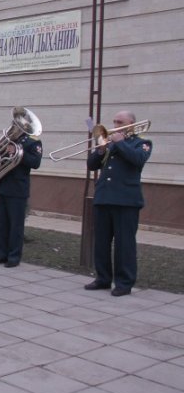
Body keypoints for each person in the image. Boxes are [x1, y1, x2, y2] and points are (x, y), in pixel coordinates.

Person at [85, 111, 152, 297]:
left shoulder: (142, 143)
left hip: (126, 201)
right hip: (104, 198)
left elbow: (138, 160)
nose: (115, 124)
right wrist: (100, 149)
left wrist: (120, 143)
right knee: (101, 243)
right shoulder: (110, 143)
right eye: (114, 121)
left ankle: (124, 283)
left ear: (131, 123)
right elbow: (92, 165)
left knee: (125, 244)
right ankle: (103, 278)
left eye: (120, 121)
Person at [0, 125, 43, 267]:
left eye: (19, 126)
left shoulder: (32, 142)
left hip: (18, 189)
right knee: (2, 224)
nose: (15, 128)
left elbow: (36, 163)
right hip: (3, 186)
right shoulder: (8, 141)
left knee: (15, 226)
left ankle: (14, 257)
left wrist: (20, 153)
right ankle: (1, 254)